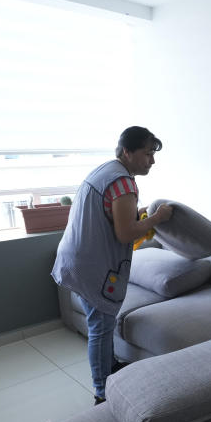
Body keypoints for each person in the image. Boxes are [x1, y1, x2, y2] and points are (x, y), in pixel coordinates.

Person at [51, 126, 173, 404]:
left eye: (153, 154)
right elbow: (126, 233)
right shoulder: (123, 183)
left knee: (101, 323)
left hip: (75, 259)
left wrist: (138, 217)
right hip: (91, 266)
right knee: (101, 328)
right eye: (147, 154)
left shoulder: (104, 172)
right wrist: (156, 218)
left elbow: (114, 220)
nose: (152, 161)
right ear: (127, 152)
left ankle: (111, 366)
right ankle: (102, 392)